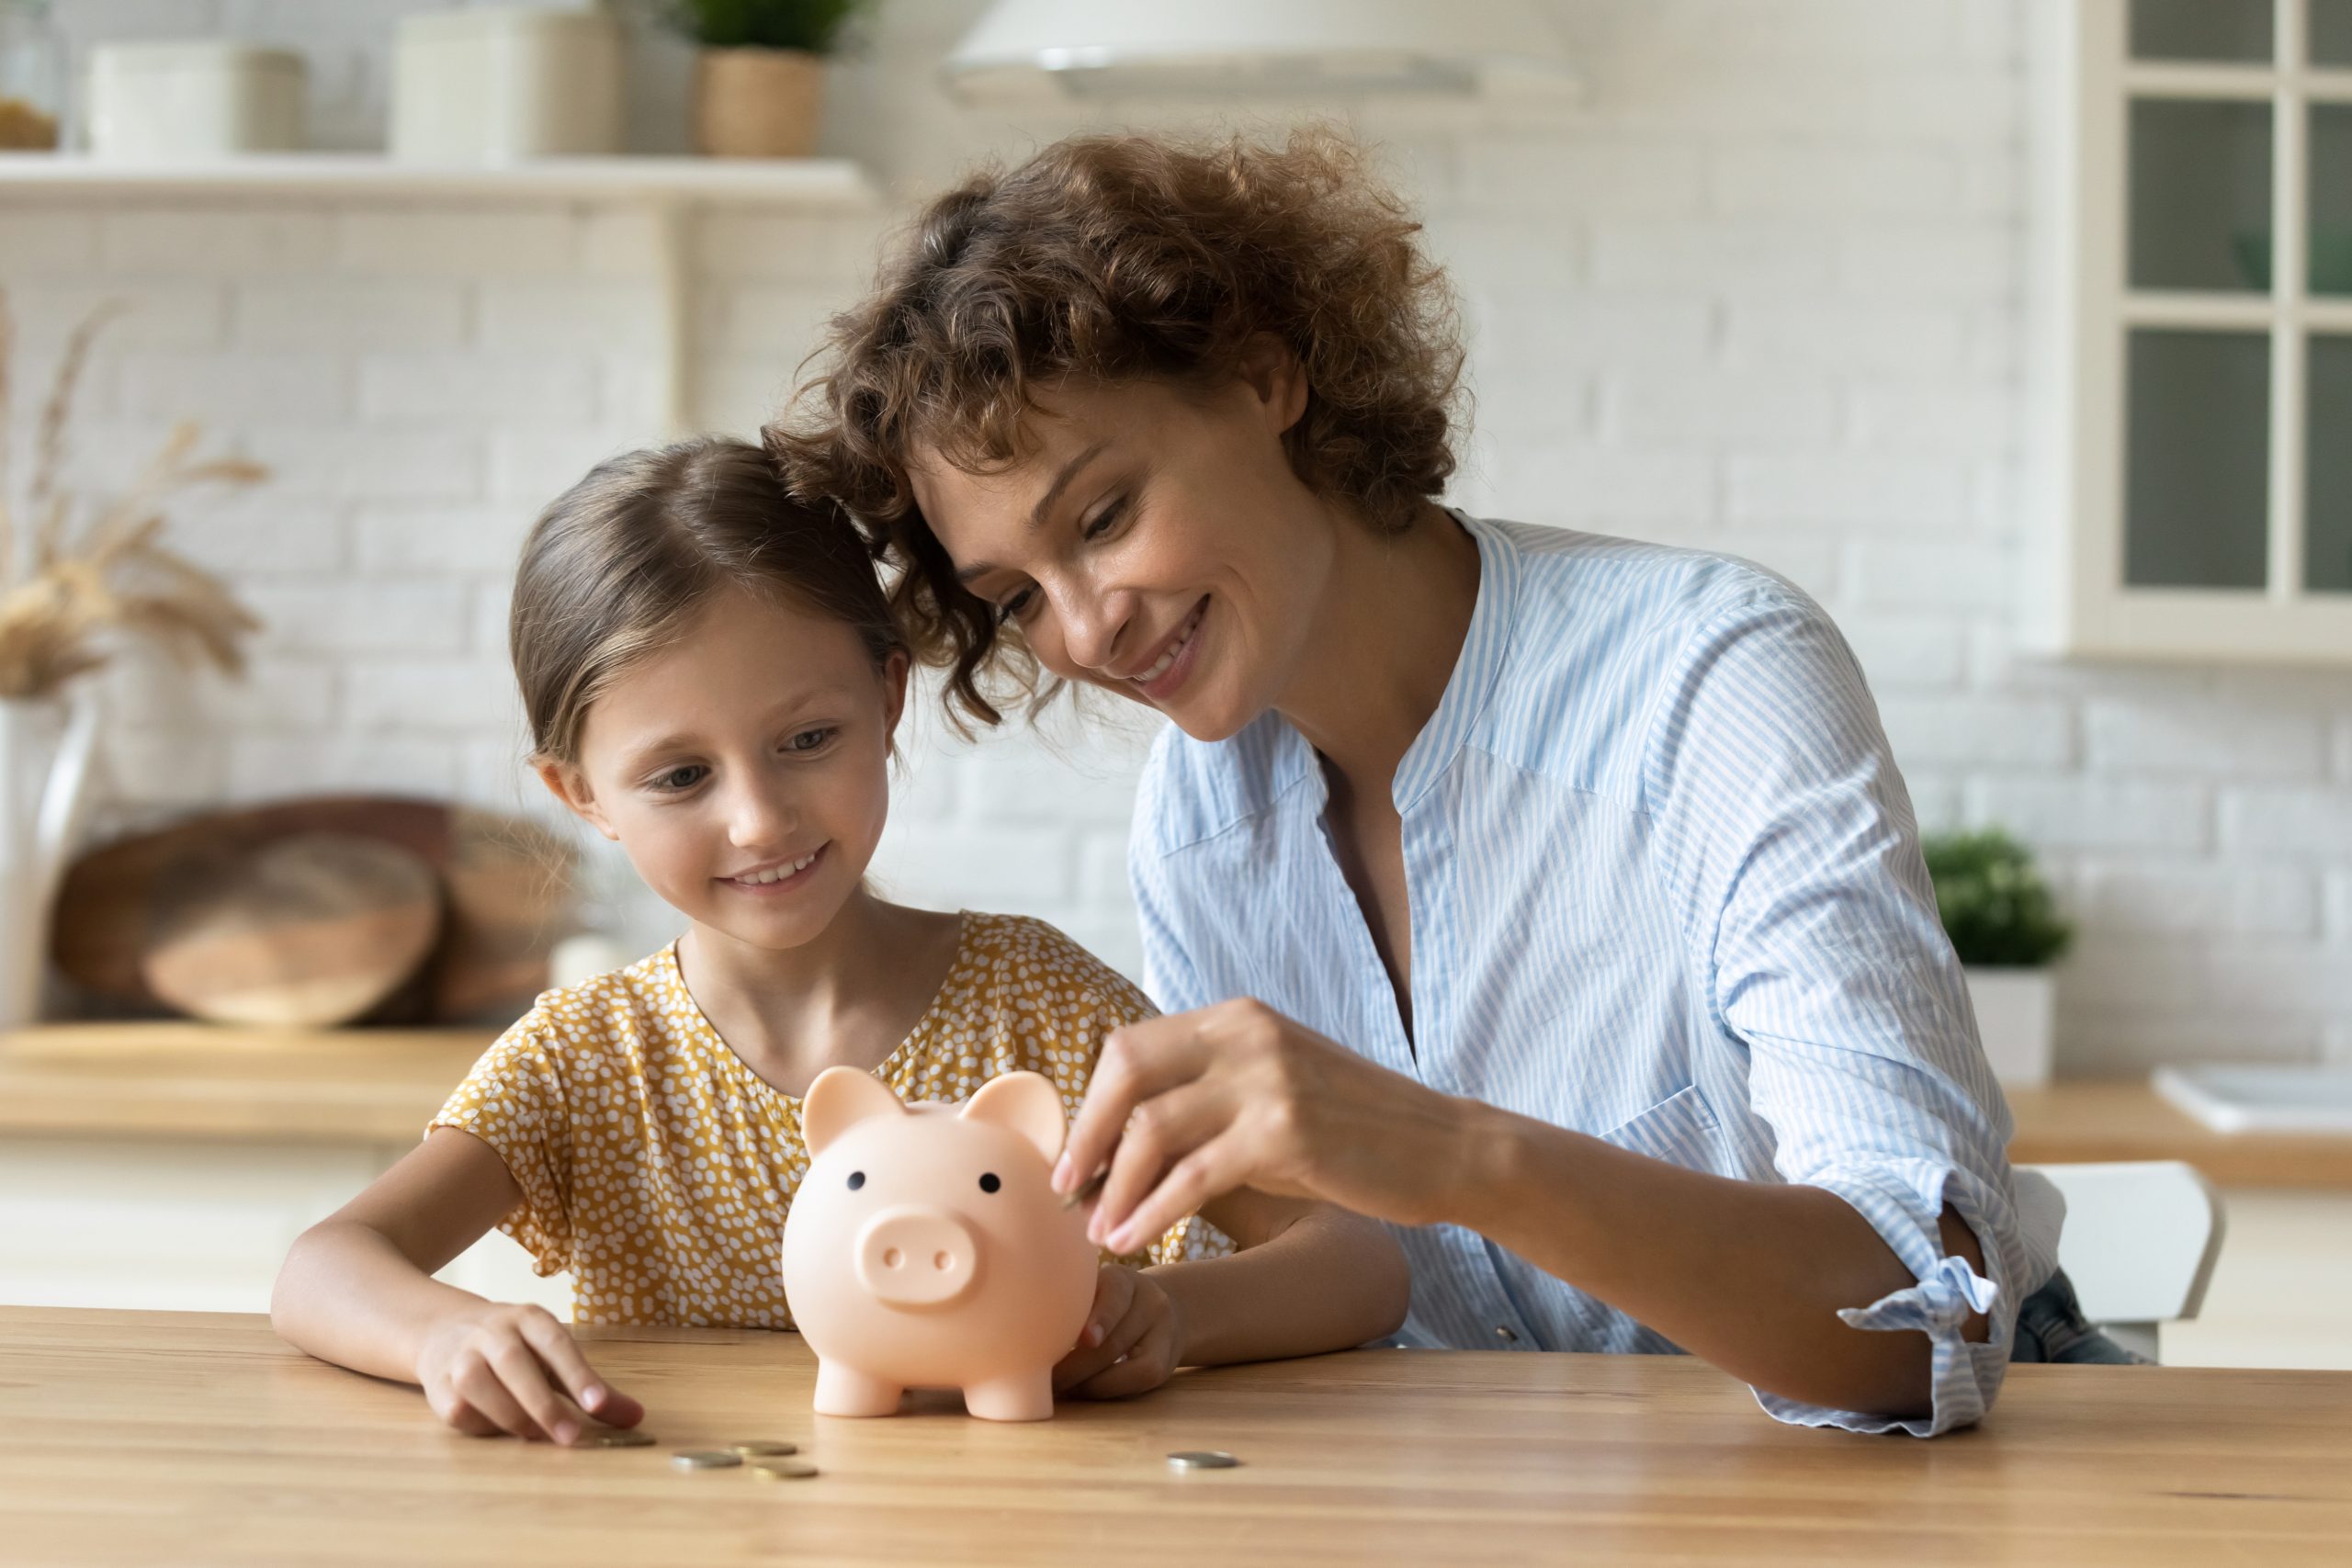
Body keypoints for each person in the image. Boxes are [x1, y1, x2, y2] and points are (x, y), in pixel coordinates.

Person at [775, 129, 2119, 1439]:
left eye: (1106, 516)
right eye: (1019, 597)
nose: (1086, 629)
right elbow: (1373, 1271)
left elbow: (1928, 1325)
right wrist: (1160, 1309)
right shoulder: (1199, 813)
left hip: (1951, 1472)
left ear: (1264, 375)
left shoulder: (1708, 677)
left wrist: (1451, 1151)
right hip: (1552, 1482)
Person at [270, 437, 1408, 1442]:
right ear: (582, 796)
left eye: (808, 737)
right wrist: (447, 1337)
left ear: (888, 698)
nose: (759, 818)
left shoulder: (1042, 1008)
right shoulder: (589, 1060)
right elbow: (324, 1266)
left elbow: (1356, 1256)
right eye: (679, 776)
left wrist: (1171, 1313)